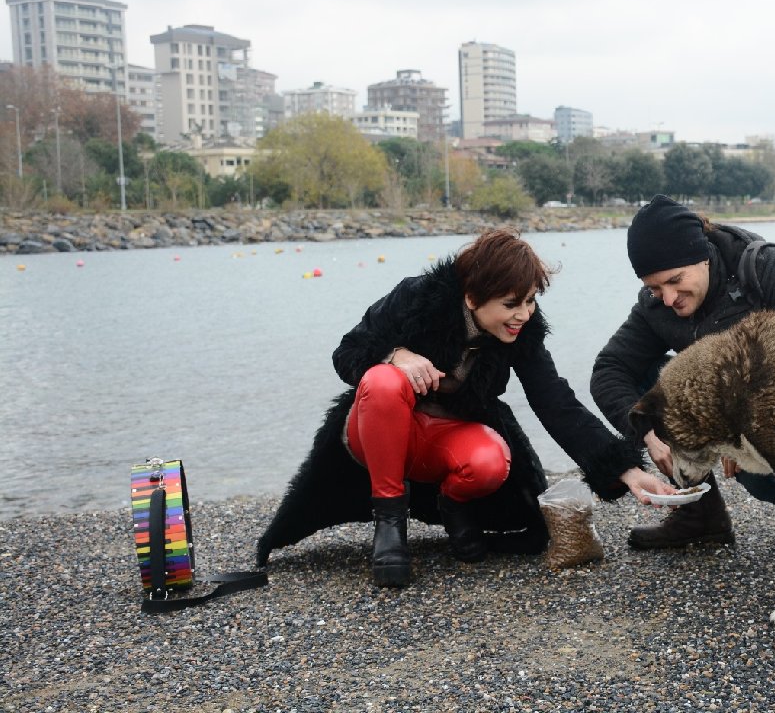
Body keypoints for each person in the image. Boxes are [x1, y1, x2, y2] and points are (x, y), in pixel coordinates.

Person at [257, 227, 671, 587]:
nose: (524, 314)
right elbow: (347, 352)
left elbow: (555, 401)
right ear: (472, 297)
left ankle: (456, 506)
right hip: (378, 432)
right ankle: (390, 524)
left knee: (491, 460)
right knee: (383, 380)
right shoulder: (416, 297)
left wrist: (623, 468)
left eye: (530, 301)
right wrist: (395, 355)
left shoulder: (523, 330)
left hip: (445, 438)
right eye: (512, 304)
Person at [590, 195, 775, 558]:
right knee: (653, 390)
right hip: (744, 406)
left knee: (759, 479)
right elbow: (609, 370)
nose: (667, 298)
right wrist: (649, 434)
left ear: (703, 256)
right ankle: (700, 516)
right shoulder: (657, 307)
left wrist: (743, 427)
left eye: (675, 280)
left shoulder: (768, 268)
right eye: (654, 288)